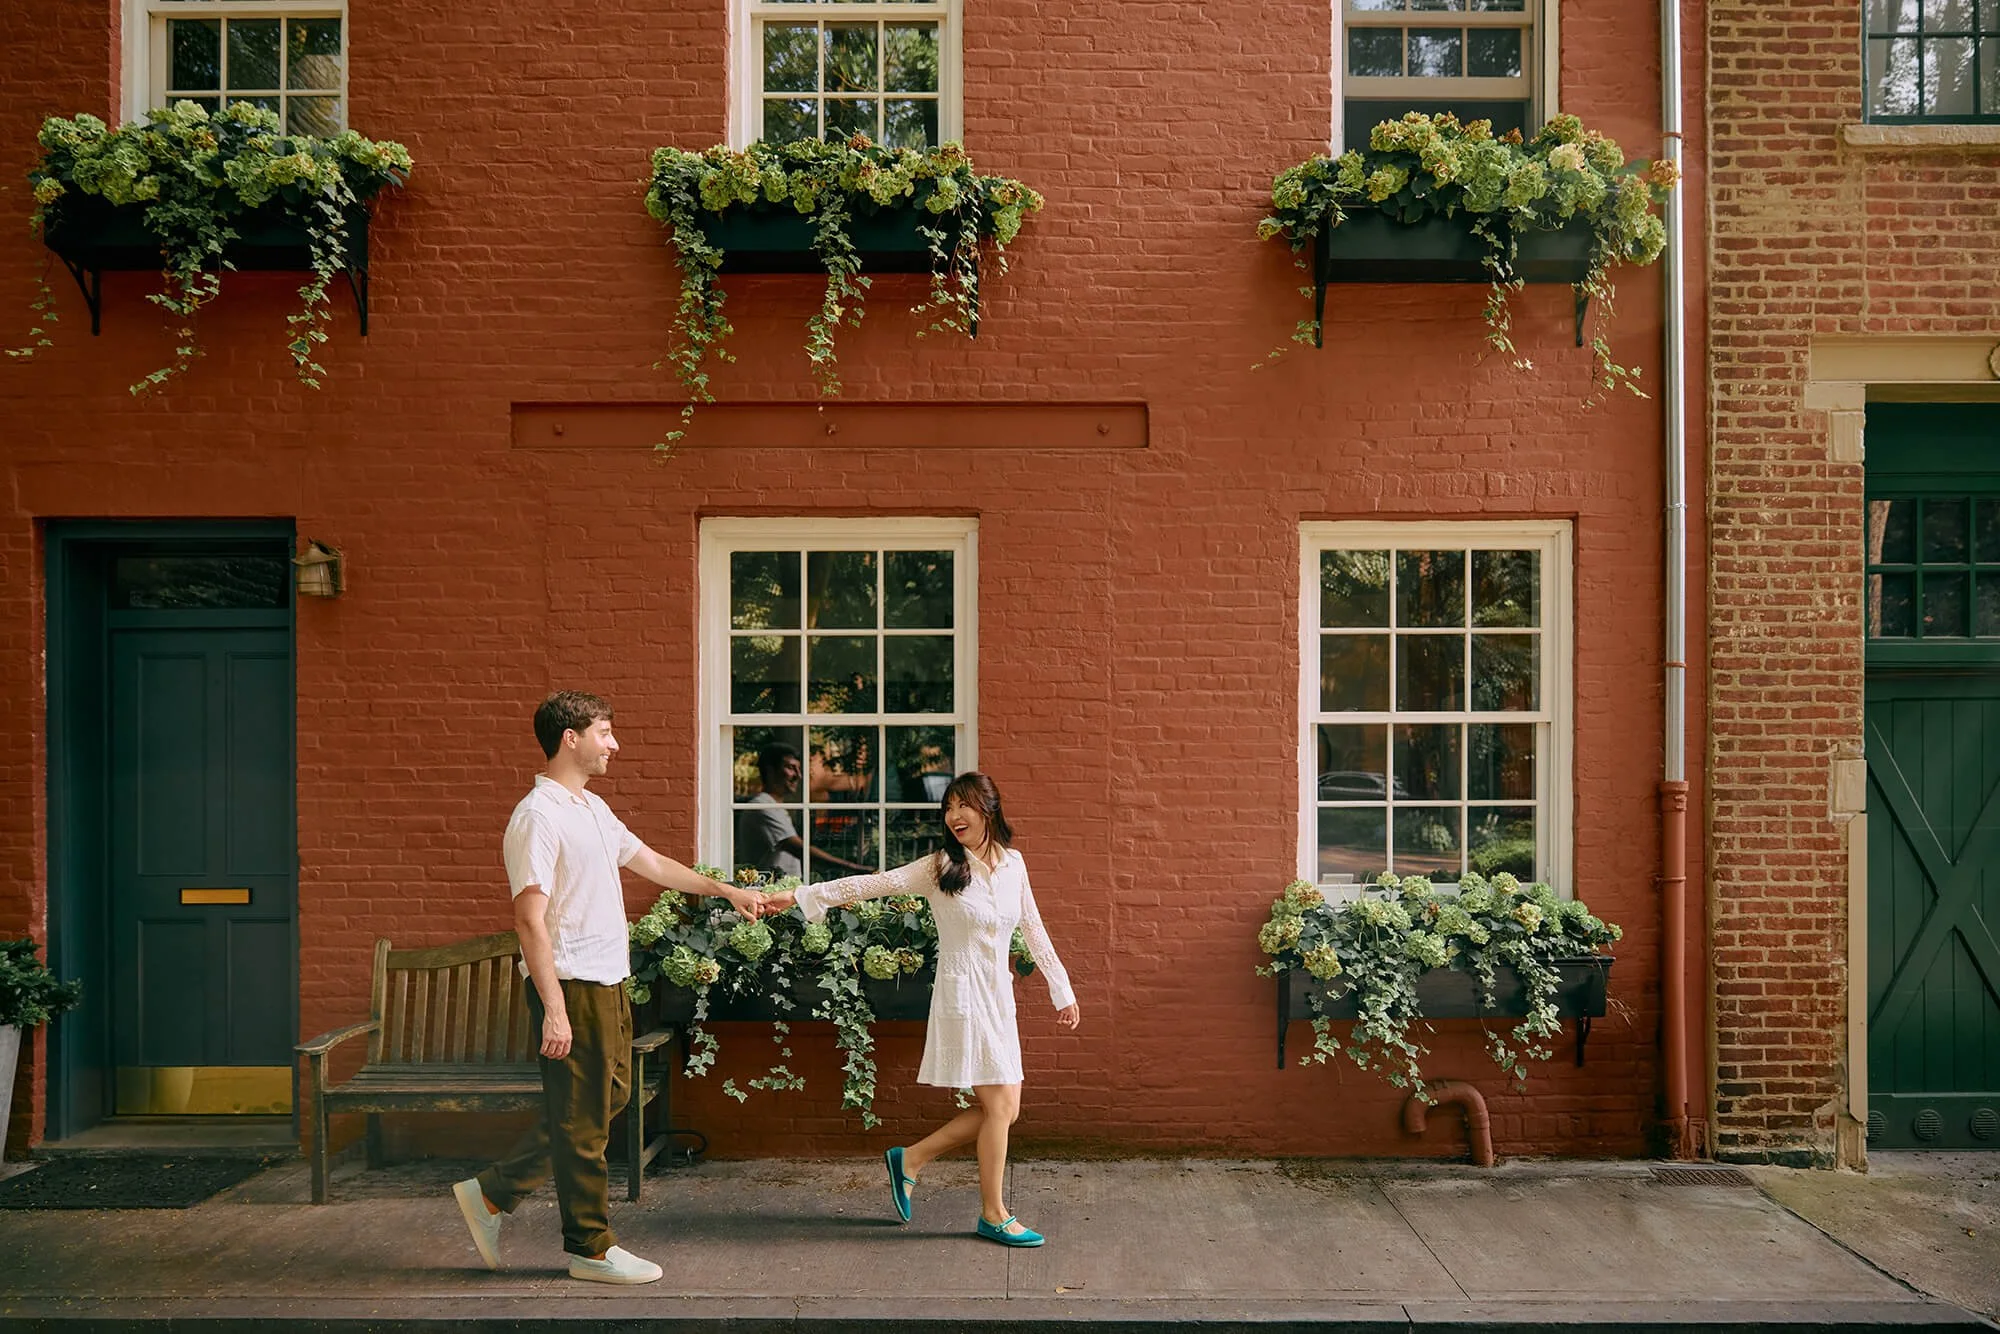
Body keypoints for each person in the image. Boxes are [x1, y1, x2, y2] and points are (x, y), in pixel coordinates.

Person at [454, 691, 765, 1284]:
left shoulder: (592, 810)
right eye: (604, 732)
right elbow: (529, 918)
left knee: (606, 1102)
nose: (614, 744)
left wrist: (724, 891)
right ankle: (590, 1248)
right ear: (570, 738)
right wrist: (553, 1009)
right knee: (585, 1121)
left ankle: (493, 1191)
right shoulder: (537, 817)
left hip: (608, 979)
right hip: (571, 985)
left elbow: (651, 863)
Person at [761, 771, 1080, 1247]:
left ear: (988, 808)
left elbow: (1033, 928)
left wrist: (1063, 988)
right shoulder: (939, 867)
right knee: (1000, 1106)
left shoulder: (1014, 864)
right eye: (948, 808)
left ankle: (909, 1159)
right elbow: (874, 885)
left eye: (963, 805)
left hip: (998, 993)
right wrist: (802, 895)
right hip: (963, 993)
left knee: (1004, 1108)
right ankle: (993, 1213)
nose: (953, 816)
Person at [734, 740, 874, 879]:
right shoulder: (763, 806)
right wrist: (857, 869)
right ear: (770, 770)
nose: (798, 776)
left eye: (799, 769)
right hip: (768, 894)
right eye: (791, 768)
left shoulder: (775, 807)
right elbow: (800, 850)